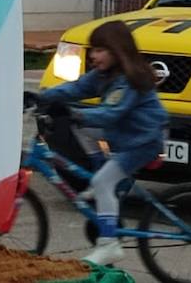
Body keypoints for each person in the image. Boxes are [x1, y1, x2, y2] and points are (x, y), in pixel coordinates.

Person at [33, 20, 168, 265]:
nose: (93, 56)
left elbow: (111, 113)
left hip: (142, 141)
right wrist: (41, 97)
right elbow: (74, 89)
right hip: (121, 134)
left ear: (118, 50)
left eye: (100, 50)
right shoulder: (102, 75)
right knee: (80, 130)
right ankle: (101, 173)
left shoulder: (128, 80)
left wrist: (76, 113)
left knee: (103, 181)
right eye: (92, 50)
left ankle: (109, 244)